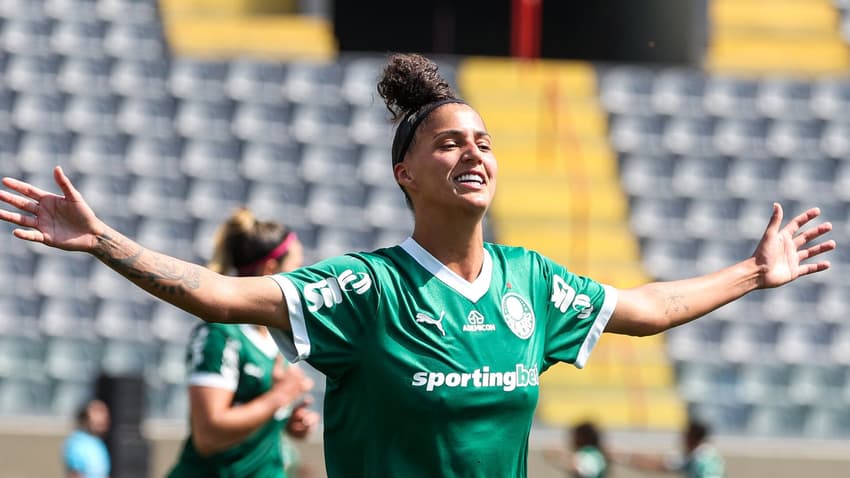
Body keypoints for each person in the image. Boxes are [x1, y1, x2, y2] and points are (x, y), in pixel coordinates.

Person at [0, 52, 835, 477]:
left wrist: (753, 274)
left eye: (483, 140)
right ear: (406, 172)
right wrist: (105, 241)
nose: (473, 152)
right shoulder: (365, 288)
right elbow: (220, 294)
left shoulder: (533, 283)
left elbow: (645, 310)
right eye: (449, 143)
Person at [167, 208, 320, 478]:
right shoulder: (221, 335)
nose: (302, 280)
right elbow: (208, 435)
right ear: (270, 269)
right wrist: (279, 397)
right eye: (295, 269)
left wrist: (287, 422)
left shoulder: (277, 335)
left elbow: (254, 411)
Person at [614, 419, 725, 478]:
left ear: (693, 437)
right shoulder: (699, 455)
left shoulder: (701, 460)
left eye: (685, 435)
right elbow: (660, 464)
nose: (682, 439)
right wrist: (624, 457)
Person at [63, 399, 111, 478]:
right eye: (97, 412)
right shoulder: (77, 443)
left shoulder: (98, 442)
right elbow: (75, 474)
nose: (103, 417)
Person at [543, 421, 609, 478]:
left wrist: (557, 458)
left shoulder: (587, 453)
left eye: (574, 436)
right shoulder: (597, 453)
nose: (571, 439)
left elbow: (578, 466)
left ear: (581, 438)